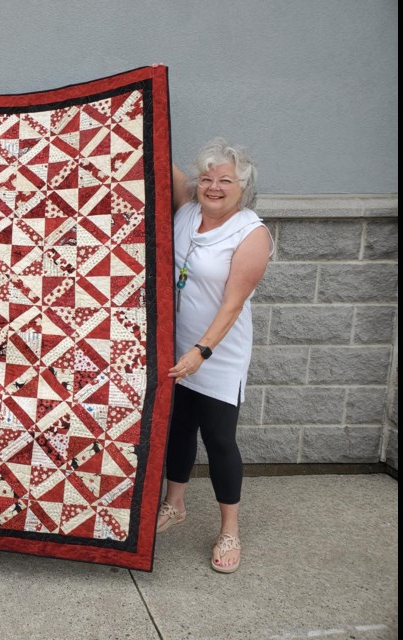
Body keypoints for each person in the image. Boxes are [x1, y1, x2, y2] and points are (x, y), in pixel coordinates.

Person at [157, 137, 273, 574]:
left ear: (243, 186)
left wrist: (201, 352)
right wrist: (139, 105)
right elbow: (163, 162)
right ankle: (175, 504)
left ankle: (229, 530)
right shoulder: (187, 210)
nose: (214, 186)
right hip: (177, 344)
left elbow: (233, 304)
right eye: (207, 178)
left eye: (226, 179)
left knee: (220, 439)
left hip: (216, 353)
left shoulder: (251, 233)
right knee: (180, 428)